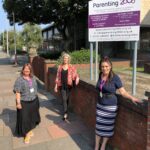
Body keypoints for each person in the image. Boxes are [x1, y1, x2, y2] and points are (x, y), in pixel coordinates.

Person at [95, 57, 141, 150]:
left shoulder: (115, 78)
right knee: (99, 126)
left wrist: (132, 97)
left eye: (106, 66)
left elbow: (122, 92)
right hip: (100, 105)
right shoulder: (100, 75)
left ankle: (103, 146)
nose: (104, 68)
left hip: (110, 107)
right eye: (102, 66)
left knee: (107, 127)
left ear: (110, 66)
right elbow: (99, 88)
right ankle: (96, 146)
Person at [13, 63, 41, 144]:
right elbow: (17, 92)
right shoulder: (19, 79)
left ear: (30, 70)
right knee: (25, 119)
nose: (27, 70)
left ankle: (30, 130)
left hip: (34, 100)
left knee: (32, 118)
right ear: (23, 70)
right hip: (24, 102)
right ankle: (27, 134)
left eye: (28, 69)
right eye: (25, 69)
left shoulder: (33, 78)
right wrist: (18, 103)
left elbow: (35, 88)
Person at [54, 53, 79, 120]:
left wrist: (77, 78)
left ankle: (66, 111)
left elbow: (75, 74)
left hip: (69, 85)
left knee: (67, 99)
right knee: (64, 99)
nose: (65, 59)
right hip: (62, 85)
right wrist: (56, 85)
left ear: (68, 59)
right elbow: (57, 77)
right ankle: (65, 113)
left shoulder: (71, 66)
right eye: (64, 58)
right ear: (63, 59)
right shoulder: (60, 67)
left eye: (66, 58)